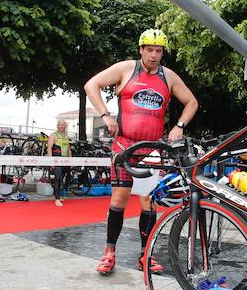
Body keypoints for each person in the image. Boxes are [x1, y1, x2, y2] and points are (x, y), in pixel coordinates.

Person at [84, 28, 198, 275]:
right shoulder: (126, 68)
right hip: (124, 146)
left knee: (148, 202)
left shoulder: (168, 77)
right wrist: (105, 115)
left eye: (158, 51)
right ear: (141, 50)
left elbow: (191, 102)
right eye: (150, 50)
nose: (154, 55)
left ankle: (146, 255)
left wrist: (179, 126)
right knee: (118, 200)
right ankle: (109, 253)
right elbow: (91, 84)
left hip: (151, 149)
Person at [46, 119, 71, 207]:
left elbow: (68, 149)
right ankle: (57, 199)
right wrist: (51, 161)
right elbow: (49, 148)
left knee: (62, 179)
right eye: (59, 125)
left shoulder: (66, 136)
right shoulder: (53, 135)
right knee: (58, 178)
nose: (60, 126)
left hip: (65, 161)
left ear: (65, 126)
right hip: (56, 160)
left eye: (62, 125)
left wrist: (70, 160)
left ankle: (56, 195)